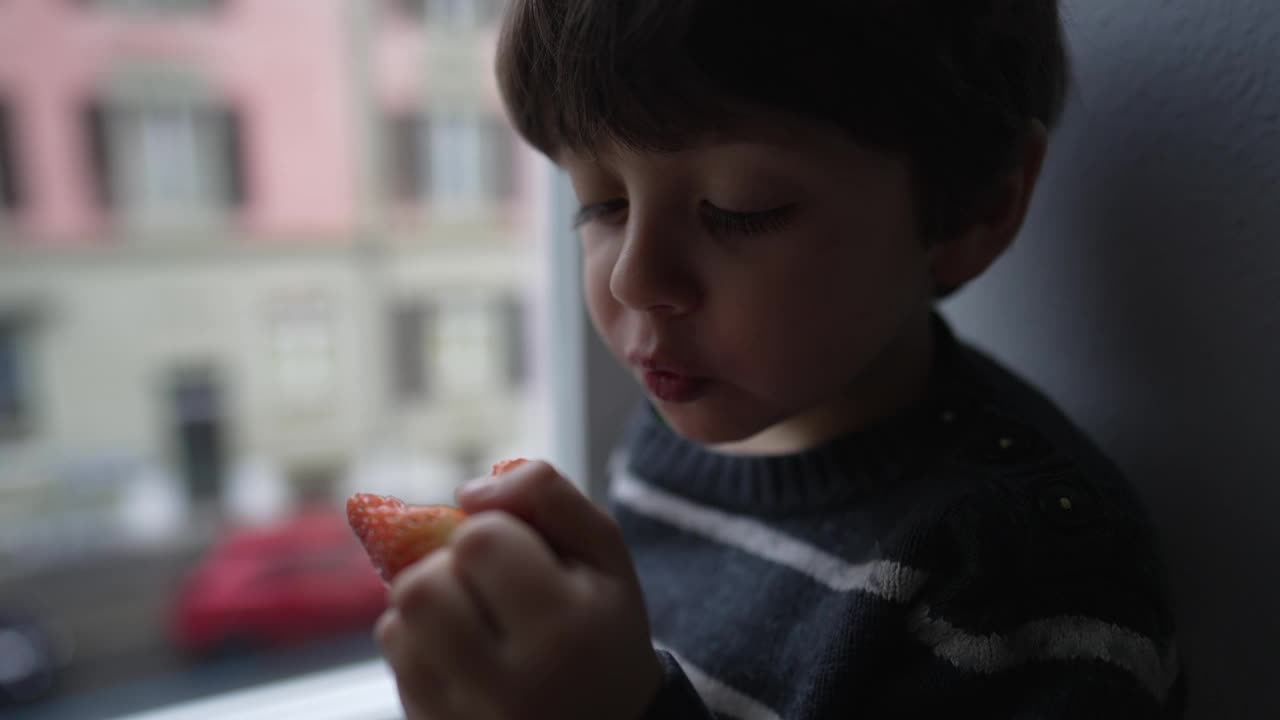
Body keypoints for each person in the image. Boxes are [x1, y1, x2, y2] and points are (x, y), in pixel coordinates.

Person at [373, 1, 1185, 718]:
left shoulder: (1021, 578)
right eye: (601, 202)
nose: (635, 278)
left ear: (978, 207)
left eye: (738, 211)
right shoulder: (668, 434)